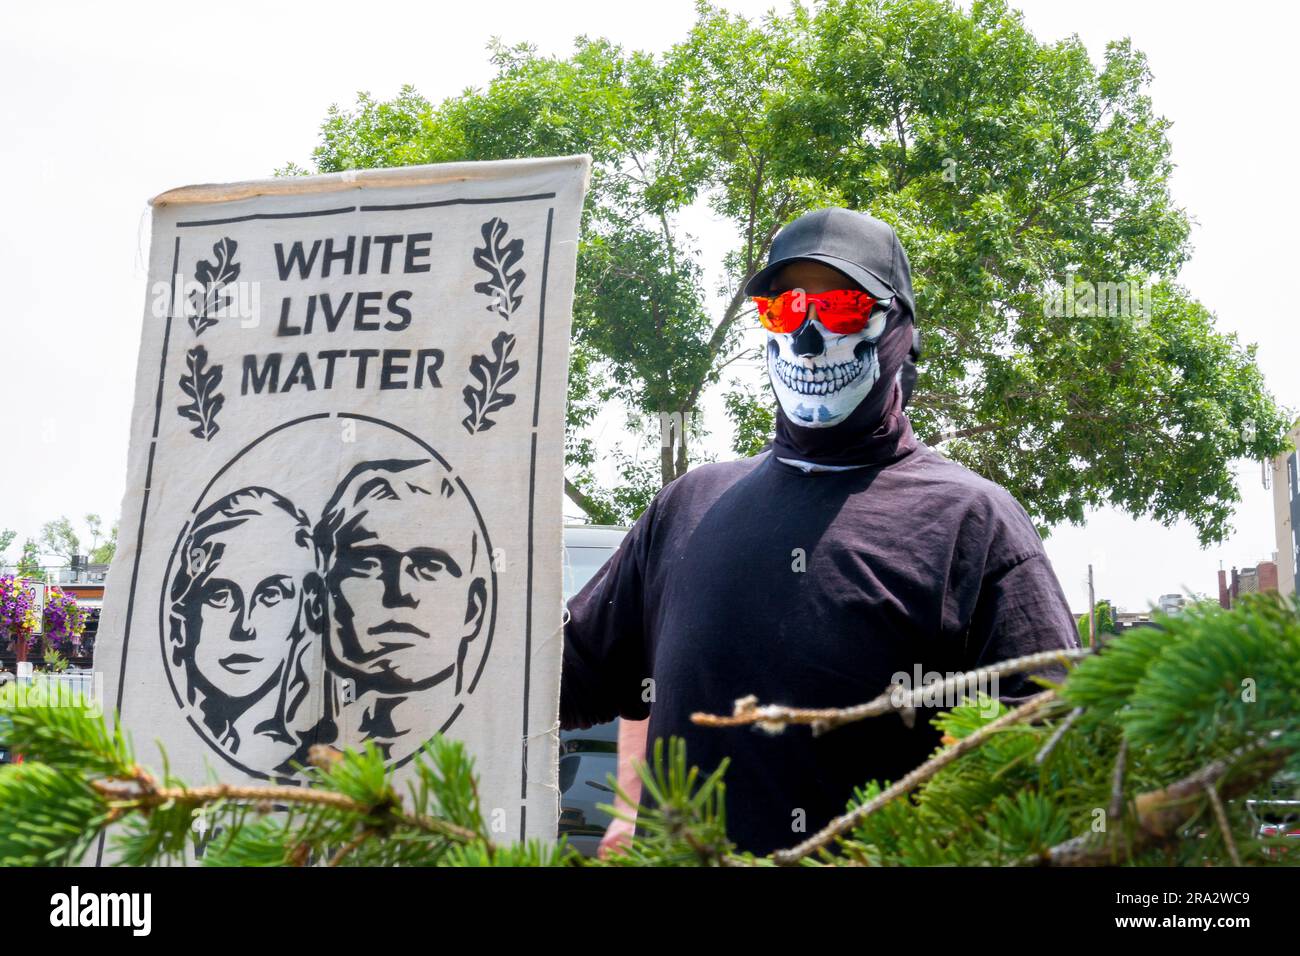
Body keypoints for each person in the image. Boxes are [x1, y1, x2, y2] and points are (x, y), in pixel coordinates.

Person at [561, 207, 1080, 856]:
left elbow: (1052, 757)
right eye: (785, 311)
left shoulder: (973, 526)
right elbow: (560, 674)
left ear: (900, 333)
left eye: (839, 310)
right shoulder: (688, 507)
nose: (806, 338)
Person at [313, 458, 489, 763]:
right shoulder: (270, 785)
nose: (399, 594)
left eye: (428, 565)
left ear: (473, 610)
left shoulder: (499, 766)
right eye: (369, 563)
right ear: (319, 596)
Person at [167, 486, 322, 772]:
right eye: (220, 596)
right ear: (180, 624)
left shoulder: (321, 770)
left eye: (271, 595)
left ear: (305, 613)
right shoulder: (155, 749)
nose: (245, 627)